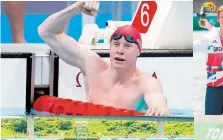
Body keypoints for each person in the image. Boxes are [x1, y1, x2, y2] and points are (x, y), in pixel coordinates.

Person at [38, 1, 169, 116]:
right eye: (116, 44)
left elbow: (159, 106)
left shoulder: (145, 83)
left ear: (138, 51)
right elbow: (46, 31)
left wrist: (160, 109)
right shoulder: (92, 66)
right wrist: (76, 8)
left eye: (127, 46)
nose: (120, 50)